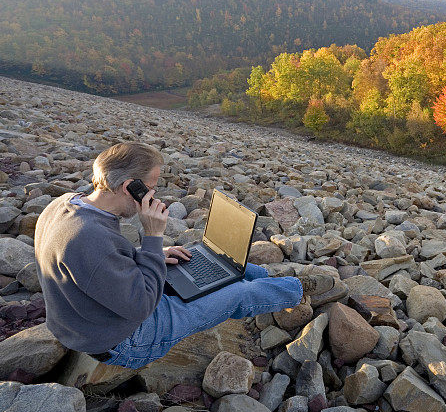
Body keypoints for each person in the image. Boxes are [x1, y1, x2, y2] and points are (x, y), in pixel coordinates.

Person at [34, 142, 334, 369]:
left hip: (91, 315)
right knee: (237, 294)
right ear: (130, 188)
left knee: (217, 265)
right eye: (150, 188)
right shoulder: (91, 237)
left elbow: (93, 265)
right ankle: (299, 291)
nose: (153, 196)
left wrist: (150, 254)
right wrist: (152, 238)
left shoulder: (65, 204)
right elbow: (140, 305)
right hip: (125, 341)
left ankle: (274, 279)